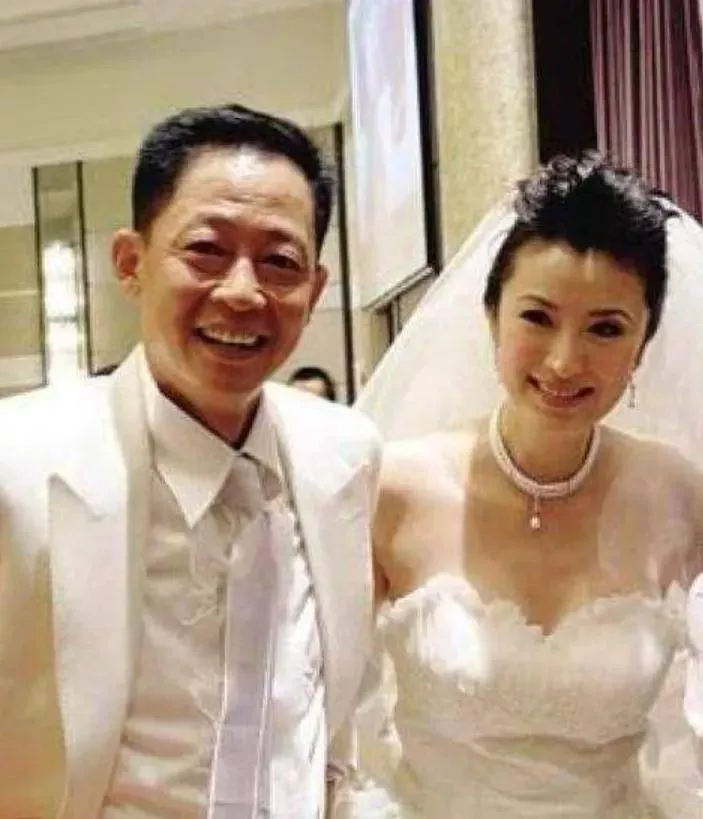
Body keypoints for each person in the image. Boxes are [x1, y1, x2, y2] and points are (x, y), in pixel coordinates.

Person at [0, 103, 381, 818]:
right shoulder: (18, 464)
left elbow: (329, 722)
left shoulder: (345, 453)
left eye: (280, 262)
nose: (242, 291)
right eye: (206, 249)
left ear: (315, 289)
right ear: (131, 263)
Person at [335, 153, 703, 818]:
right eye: (537, 317)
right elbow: (323, 713)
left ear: (642, 345)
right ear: (491, 316)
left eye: (606, 328)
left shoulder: (679, 493)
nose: (564, 360)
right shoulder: (393, 488)